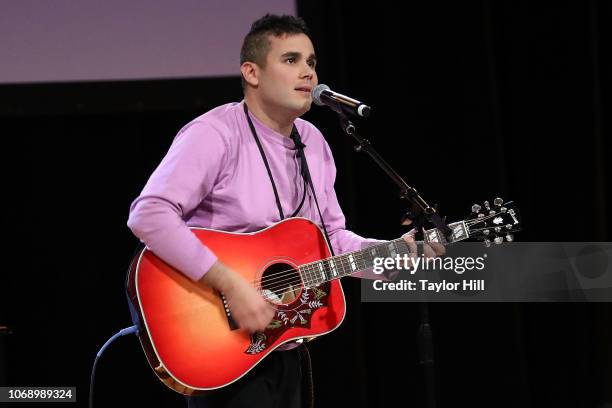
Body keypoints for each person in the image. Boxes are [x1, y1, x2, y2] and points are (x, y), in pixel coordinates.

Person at [127, 13, 443, 408]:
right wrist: (230, 284)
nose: (308, 74)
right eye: (291, 60)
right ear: (252, 73)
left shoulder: (314, 143)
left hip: (283, 343)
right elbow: (149, 214)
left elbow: (332, 241)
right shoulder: (214, 133)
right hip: (220, 341)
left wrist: (394, 252)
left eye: (312, 62)